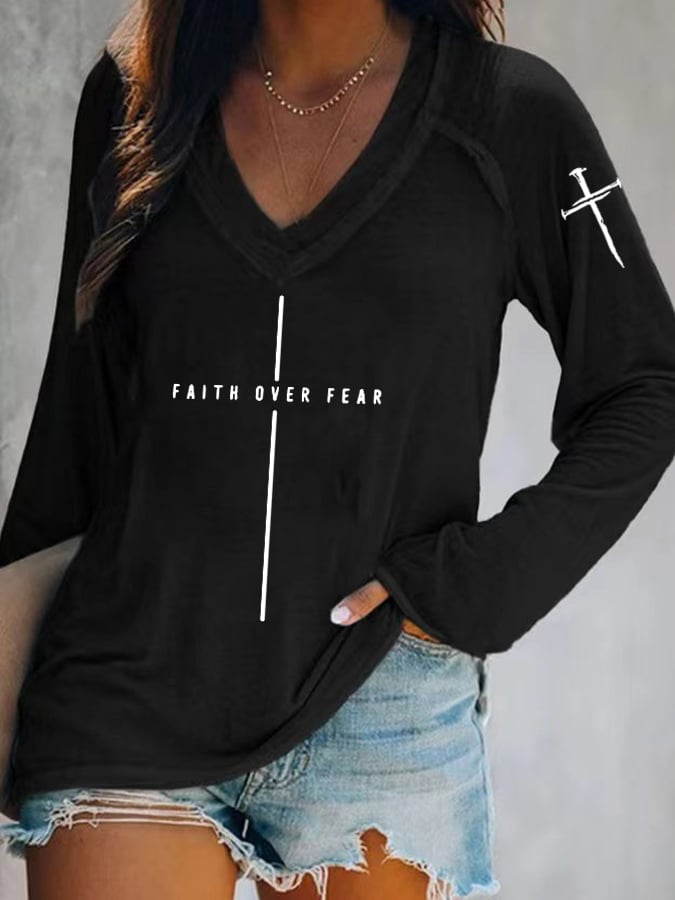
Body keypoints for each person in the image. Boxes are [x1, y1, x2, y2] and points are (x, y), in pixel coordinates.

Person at [1, 0, 675, 897]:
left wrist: (472, 590)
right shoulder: (136, 94)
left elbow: (644, 381)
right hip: (128, 681)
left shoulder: (511, 115)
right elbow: (77, 416)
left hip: (381, 702)